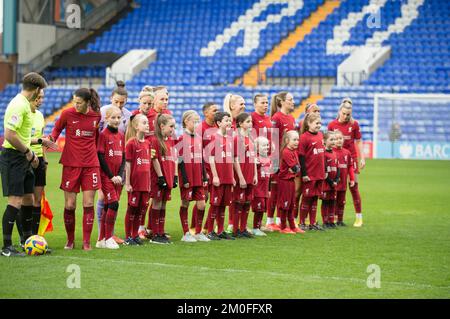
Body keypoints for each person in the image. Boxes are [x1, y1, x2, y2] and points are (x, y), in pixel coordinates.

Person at [1, 72, 47, 257]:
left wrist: (36, 145)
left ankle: (27, 241)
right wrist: (28, 152)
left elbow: (23, 135)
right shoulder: (18, 105)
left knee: (28, 198)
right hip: (13, 157)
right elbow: (10, 135)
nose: (41, 94)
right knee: (15, 201)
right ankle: (6, 246)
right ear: (36, 89)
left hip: (23, 158)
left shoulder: (25, 105)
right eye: (41, 91)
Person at [50, 88, 102, 250]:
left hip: (90, 165)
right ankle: (70, 240)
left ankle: (86, 242)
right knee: (70, 205)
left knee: (88, 203)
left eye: (79, 103)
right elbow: (56, 129)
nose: (76, 105)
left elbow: (97, 138)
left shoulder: (96, 116)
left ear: (87, 102)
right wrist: (51, 140)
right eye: (74, 102)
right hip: (71, 164)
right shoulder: (67, 114)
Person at [96, 81, 131, 244]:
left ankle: (109, 234)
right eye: (116, 101)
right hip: (105, 166)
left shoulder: (128, 116)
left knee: (114, 200)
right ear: (111, 98)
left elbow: (124, 143)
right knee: (105, 199)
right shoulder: (102, 112)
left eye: (122, 103)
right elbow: (98, 139)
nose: (119, 105)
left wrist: (120, 172)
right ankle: (101, 235)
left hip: (118, 166)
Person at [327, 100, 365, 227]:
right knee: (335, 188)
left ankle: (359, 217)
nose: (346, 116)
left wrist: (362, 158)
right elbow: (328, 142)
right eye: (344, 113)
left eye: (348, 114)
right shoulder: (332, 125)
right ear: (339, 111)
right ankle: (336, 217)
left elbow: (358, 141)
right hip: (336, 159)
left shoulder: (354, 124)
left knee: (354, 187)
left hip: (351, 159)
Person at [96, 106, 126, 249]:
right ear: (107, 118)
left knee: (108, 206)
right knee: (114, 204)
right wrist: (111, 176)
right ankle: (108, 238)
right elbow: (101, 156)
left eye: (119, 117)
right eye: (113, 117)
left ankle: (101, 239)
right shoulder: (103, 135)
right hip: (107, 177)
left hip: (117, 178)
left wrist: (120, 175)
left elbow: (124, 157)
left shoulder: (121, 135)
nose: (116, 120)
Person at [177, 111, 209, 242]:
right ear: (186, 122)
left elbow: (200, 159)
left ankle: (198, 231)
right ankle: (186, 233)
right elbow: (180, 161)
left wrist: (205, 176)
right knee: (185, 203)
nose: (197, 124)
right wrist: (184, 179)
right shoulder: (180, 139)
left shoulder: (198, 138)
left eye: (198, 121)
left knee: (201, 204)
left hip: (198, 178)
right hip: (187, 178)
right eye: (194, 121)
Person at [266, 91, 296, 231]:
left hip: (286, 160)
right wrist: (274, 161)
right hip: (277, 159)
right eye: (290, 99)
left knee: (283, 191)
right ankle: (269, 221)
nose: (293, 102)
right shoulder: (277, 118)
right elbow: (273, 140)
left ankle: (279, 221)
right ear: (282, 102)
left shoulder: (291, 118)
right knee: (275, 191)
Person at [149, 114, 178, 244]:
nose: (173, 129)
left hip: (169, 176)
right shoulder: (155, 140)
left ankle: (161, 231)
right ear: (162, 126)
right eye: (171, 126)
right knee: (157, 203)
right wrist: (160, 177)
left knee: (164, 204)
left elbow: (174, 159)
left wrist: (175, 176)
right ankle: (155, 233)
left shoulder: (171, 140)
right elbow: (154, 160)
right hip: (159, 178)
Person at [206, 112, 235, 240]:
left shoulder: (229, 138)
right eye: (226, 120)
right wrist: (215, 176)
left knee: (224, 204)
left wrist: (233, 176)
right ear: (218, 123)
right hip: (219, 177)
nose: (229, 123)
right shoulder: (214, 137)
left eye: (230, 120)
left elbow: (231, 159)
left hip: (228, 176)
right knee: (215, 204)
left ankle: (220, 230)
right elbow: (211, 158)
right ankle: (210, 231)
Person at [124, 114, 152, 246]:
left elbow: (148, 165)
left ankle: (135, 235)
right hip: (134, 183)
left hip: (145, 184)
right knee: (132, 209)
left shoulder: (147, 143)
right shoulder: (131, 143)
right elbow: (128, 164)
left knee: (141, 209)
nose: (147, 125)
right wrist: (128, 183)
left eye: (147, 122)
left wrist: (149, 183)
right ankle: (128, 235)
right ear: (136, 126)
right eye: (144, 123)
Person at [191, 102, 218, 234]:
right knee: (203, 198)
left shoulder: (219, 126)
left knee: (215, 199)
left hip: (218, 169)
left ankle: (208, 227)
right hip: (205, 169)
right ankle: (193, 226)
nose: (216, 112)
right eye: (214, 110)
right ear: (206, 113)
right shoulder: (200, 128)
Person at [298, 113, 325, 231]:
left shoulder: (320, 135)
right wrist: (304, 174)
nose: (319, 125)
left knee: (315, 199)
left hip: (319, 174)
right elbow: (301, 157)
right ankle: (302, 222)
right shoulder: (304, 137)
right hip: (309, 174)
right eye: (316, 123)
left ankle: (312, 223)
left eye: (320, 123)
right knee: (306, 198)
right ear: (309, 124)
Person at [222, 94, 245, 233]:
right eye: (241, 104)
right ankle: (230, 224)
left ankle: (238, 224)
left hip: (242, 163)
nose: (244, 106)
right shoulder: (227, 123)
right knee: (230, 196)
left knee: (240, 195)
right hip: (228, 164)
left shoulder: (243, 123)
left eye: (244, 103)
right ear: (232, 106)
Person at [232, 112, 257, 239]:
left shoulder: (251, 138)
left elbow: (253, 158)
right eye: (247, 121)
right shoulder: (237, 139)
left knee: (247, 202)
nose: (250, 123)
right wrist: (240, 177)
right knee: (238, 202)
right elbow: (235, 159)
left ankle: (243, 228)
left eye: (251, 121)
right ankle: (236, 229)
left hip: (250, 175)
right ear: (240, 124)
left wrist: (255, 175)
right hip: (241, 175)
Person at [277, 130, 304, 234]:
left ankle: (292, 226)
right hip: (285, 182)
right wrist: (294, 169)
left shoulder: (294, 151)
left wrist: (294, 169)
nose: (297, 142)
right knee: (285, 205)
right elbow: (295, 168)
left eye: (298, 139)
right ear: (287, 140)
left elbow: (298, 168)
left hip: (291, 180)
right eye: (294, 139)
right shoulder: (286, 152)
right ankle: (283, 227)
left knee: (291, 204)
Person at [333, 130, 355, 226]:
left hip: (343, 183)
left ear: (343, 139)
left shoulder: (347, 153)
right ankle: (332, 219)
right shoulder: (331, 152)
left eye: (340, 138)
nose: (339, 140)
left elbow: (350, 166)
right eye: (336, 139)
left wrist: (352, 179)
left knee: (341, 202)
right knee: (333, 201)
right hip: (333, 183)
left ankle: (340, 220)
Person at [251, 136, 271, 236]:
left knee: (263, 208)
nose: (267, 147)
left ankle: (258, 227)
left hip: (265, 189)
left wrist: (269, 189)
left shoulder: (268, 158)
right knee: (259, 208)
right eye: (264, 145)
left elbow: (269, 176)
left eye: (267, 145)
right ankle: (255, 228)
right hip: (258, 188)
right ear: (257, 147)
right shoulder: (256, 159)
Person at [321, 131, 340, 229]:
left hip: (334, 183)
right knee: (325, 202)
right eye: (331, 139)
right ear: (324, 141)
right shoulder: (323, 154)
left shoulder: (335, 154)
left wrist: (336, 179)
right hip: (326, 183)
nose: (334, 141)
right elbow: (324, 171)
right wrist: (331, 182)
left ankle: (331, 221)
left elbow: (338, 168)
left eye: (335, 139)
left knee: (333, 201)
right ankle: (325, 221)